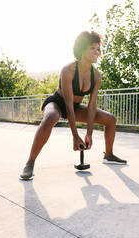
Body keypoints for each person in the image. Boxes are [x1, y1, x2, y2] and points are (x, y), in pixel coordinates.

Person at [20, 31, 126, 180]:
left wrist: (89, 133)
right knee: (51, 117)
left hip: (76, 107)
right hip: (57, 102)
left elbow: (92, 105)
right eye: (92, 48)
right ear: (82, 49)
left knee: (110, 119)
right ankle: (30, 163)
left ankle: (108, 155)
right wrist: (75, 136)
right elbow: (67, 104)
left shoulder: (96, 75)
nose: (97, 52)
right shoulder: (68, 70)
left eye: (98, 49)